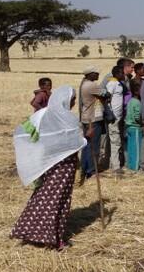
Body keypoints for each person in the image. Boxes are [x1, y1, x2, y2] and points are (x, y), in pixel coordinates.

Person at [11, 86, 88, 250]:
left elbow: (25, 130)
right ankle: (53, 239)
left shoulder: (42, 115)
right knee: (57, 200)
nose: (74, 102)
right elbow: (75, 142)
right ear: (65, 100)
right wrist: (86, 138)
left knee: (44, 195)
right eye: (72, 99)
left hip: (49, 164)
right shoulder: (68, 118)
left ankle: (31, 231)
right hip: (64, 167)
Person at [78, 66, 104, 182]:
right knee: (94, 146)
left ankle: (84, 168)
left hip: (86, 118)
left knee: (87, 145)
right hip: (92, 119)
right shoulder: (91, 85)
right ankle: (91, 170)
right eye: (96, 73)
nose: (98, 75)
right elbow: (105, 94)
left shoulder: (84, 84)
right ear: (91, 74)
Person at [105, 65, 126, 175]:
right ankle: (115, 167)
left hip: (118, 117)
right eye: (122, 73)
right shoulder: (112, 84)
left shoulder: (118, 83)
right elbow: (107, 100)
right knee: (115, 141)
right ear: (117, 73)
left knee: (116, 140)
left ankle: (113, 163)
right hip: (113, 118)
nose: (124, 75)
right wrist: (110, 114)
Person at [124, 80, 143, 171]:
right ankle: (135, 167)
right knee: (136, 149)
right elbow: (137, 117)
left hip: (129, 127)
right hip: (135, 128)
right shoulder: (137, 103)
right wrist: (142, 123)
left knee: (130, 148)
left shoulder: (130, 101)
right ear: (137, 92)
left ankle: (130, 165)